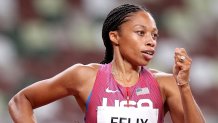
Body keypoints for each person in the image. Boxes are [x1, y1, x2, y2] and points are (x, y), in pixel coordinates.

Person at [8, 4, 205, 123]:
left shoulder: (166, 84)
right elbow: (20, 101)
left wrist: (184, 87)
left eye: (154, 35)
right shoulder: (85, 77)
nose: (151, 41)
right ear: (114, 37)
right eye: (140, 32)